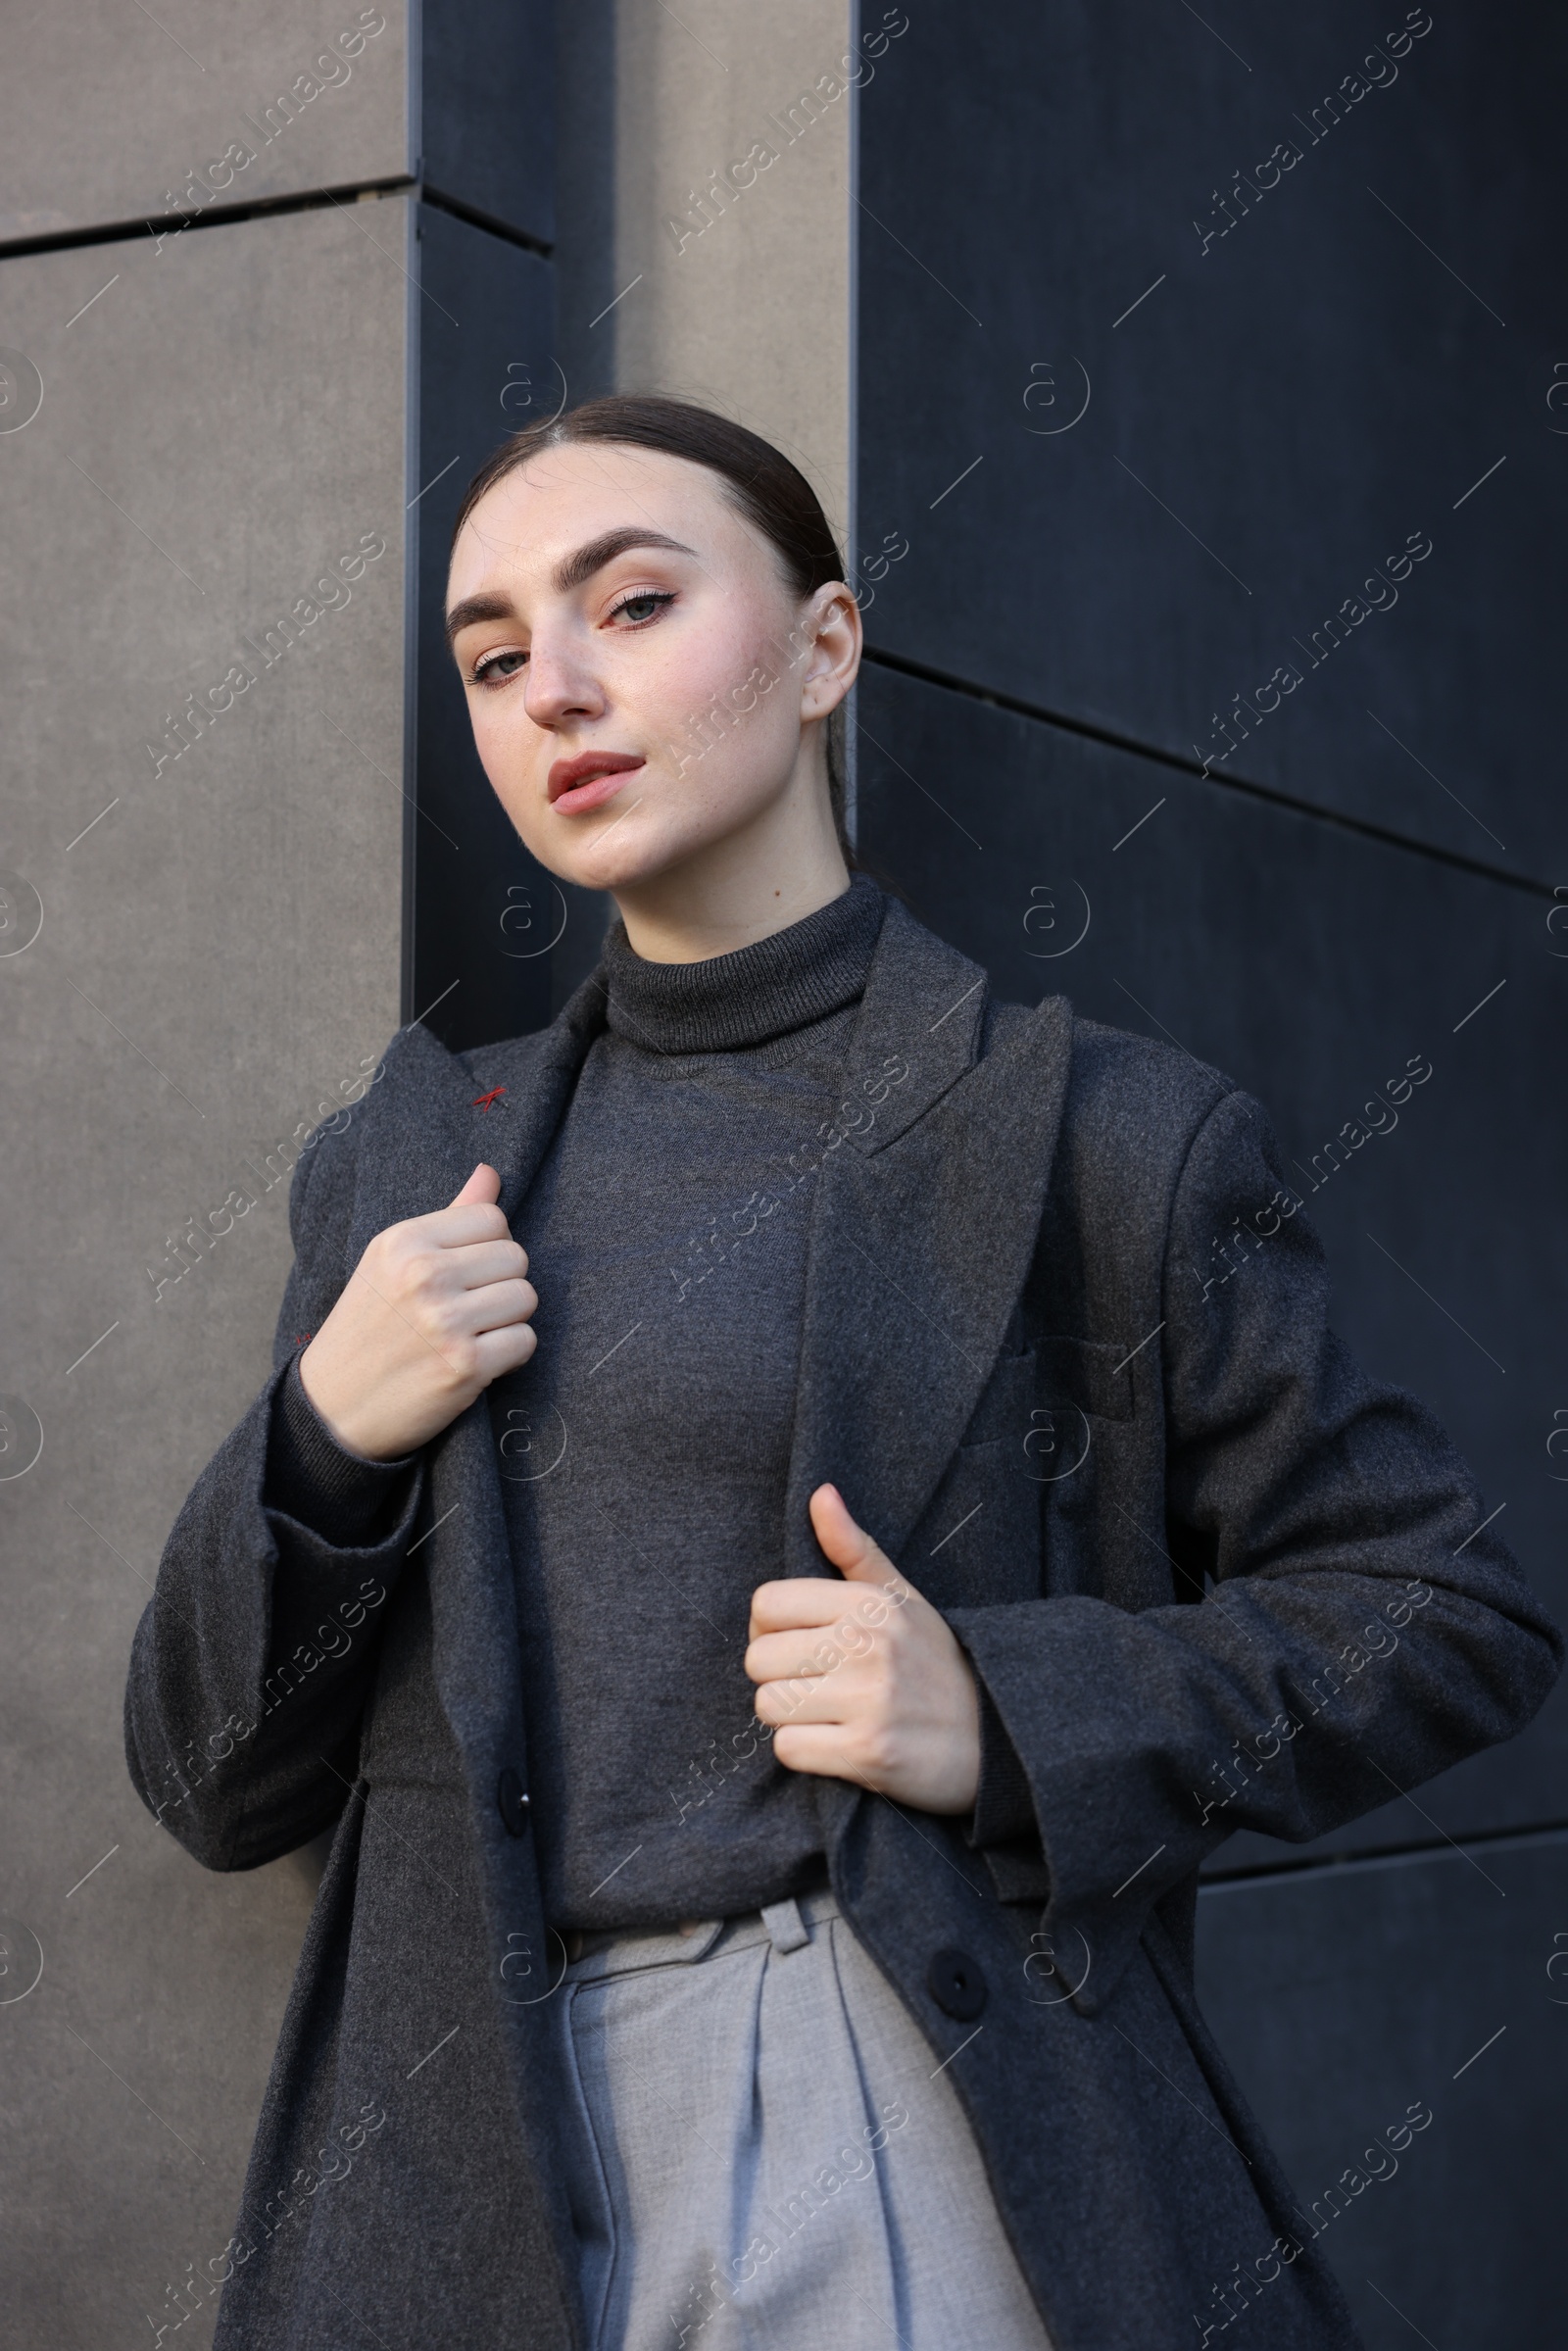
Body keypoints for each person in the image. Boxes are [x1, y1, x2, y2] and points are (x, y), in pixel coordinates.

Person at [125, 396, 1559, 2351]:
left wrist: (1011, 1705)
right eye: (488, 654)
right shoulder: (405, 1160)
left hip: (878, 2079)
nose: (552, 686)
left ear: (820, 647)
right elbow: (211, 1776)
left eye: (628, 604)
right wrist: (322, 1438)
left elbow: (1441, 1613)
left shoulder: (1096, 1137)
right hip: (447, 2134)